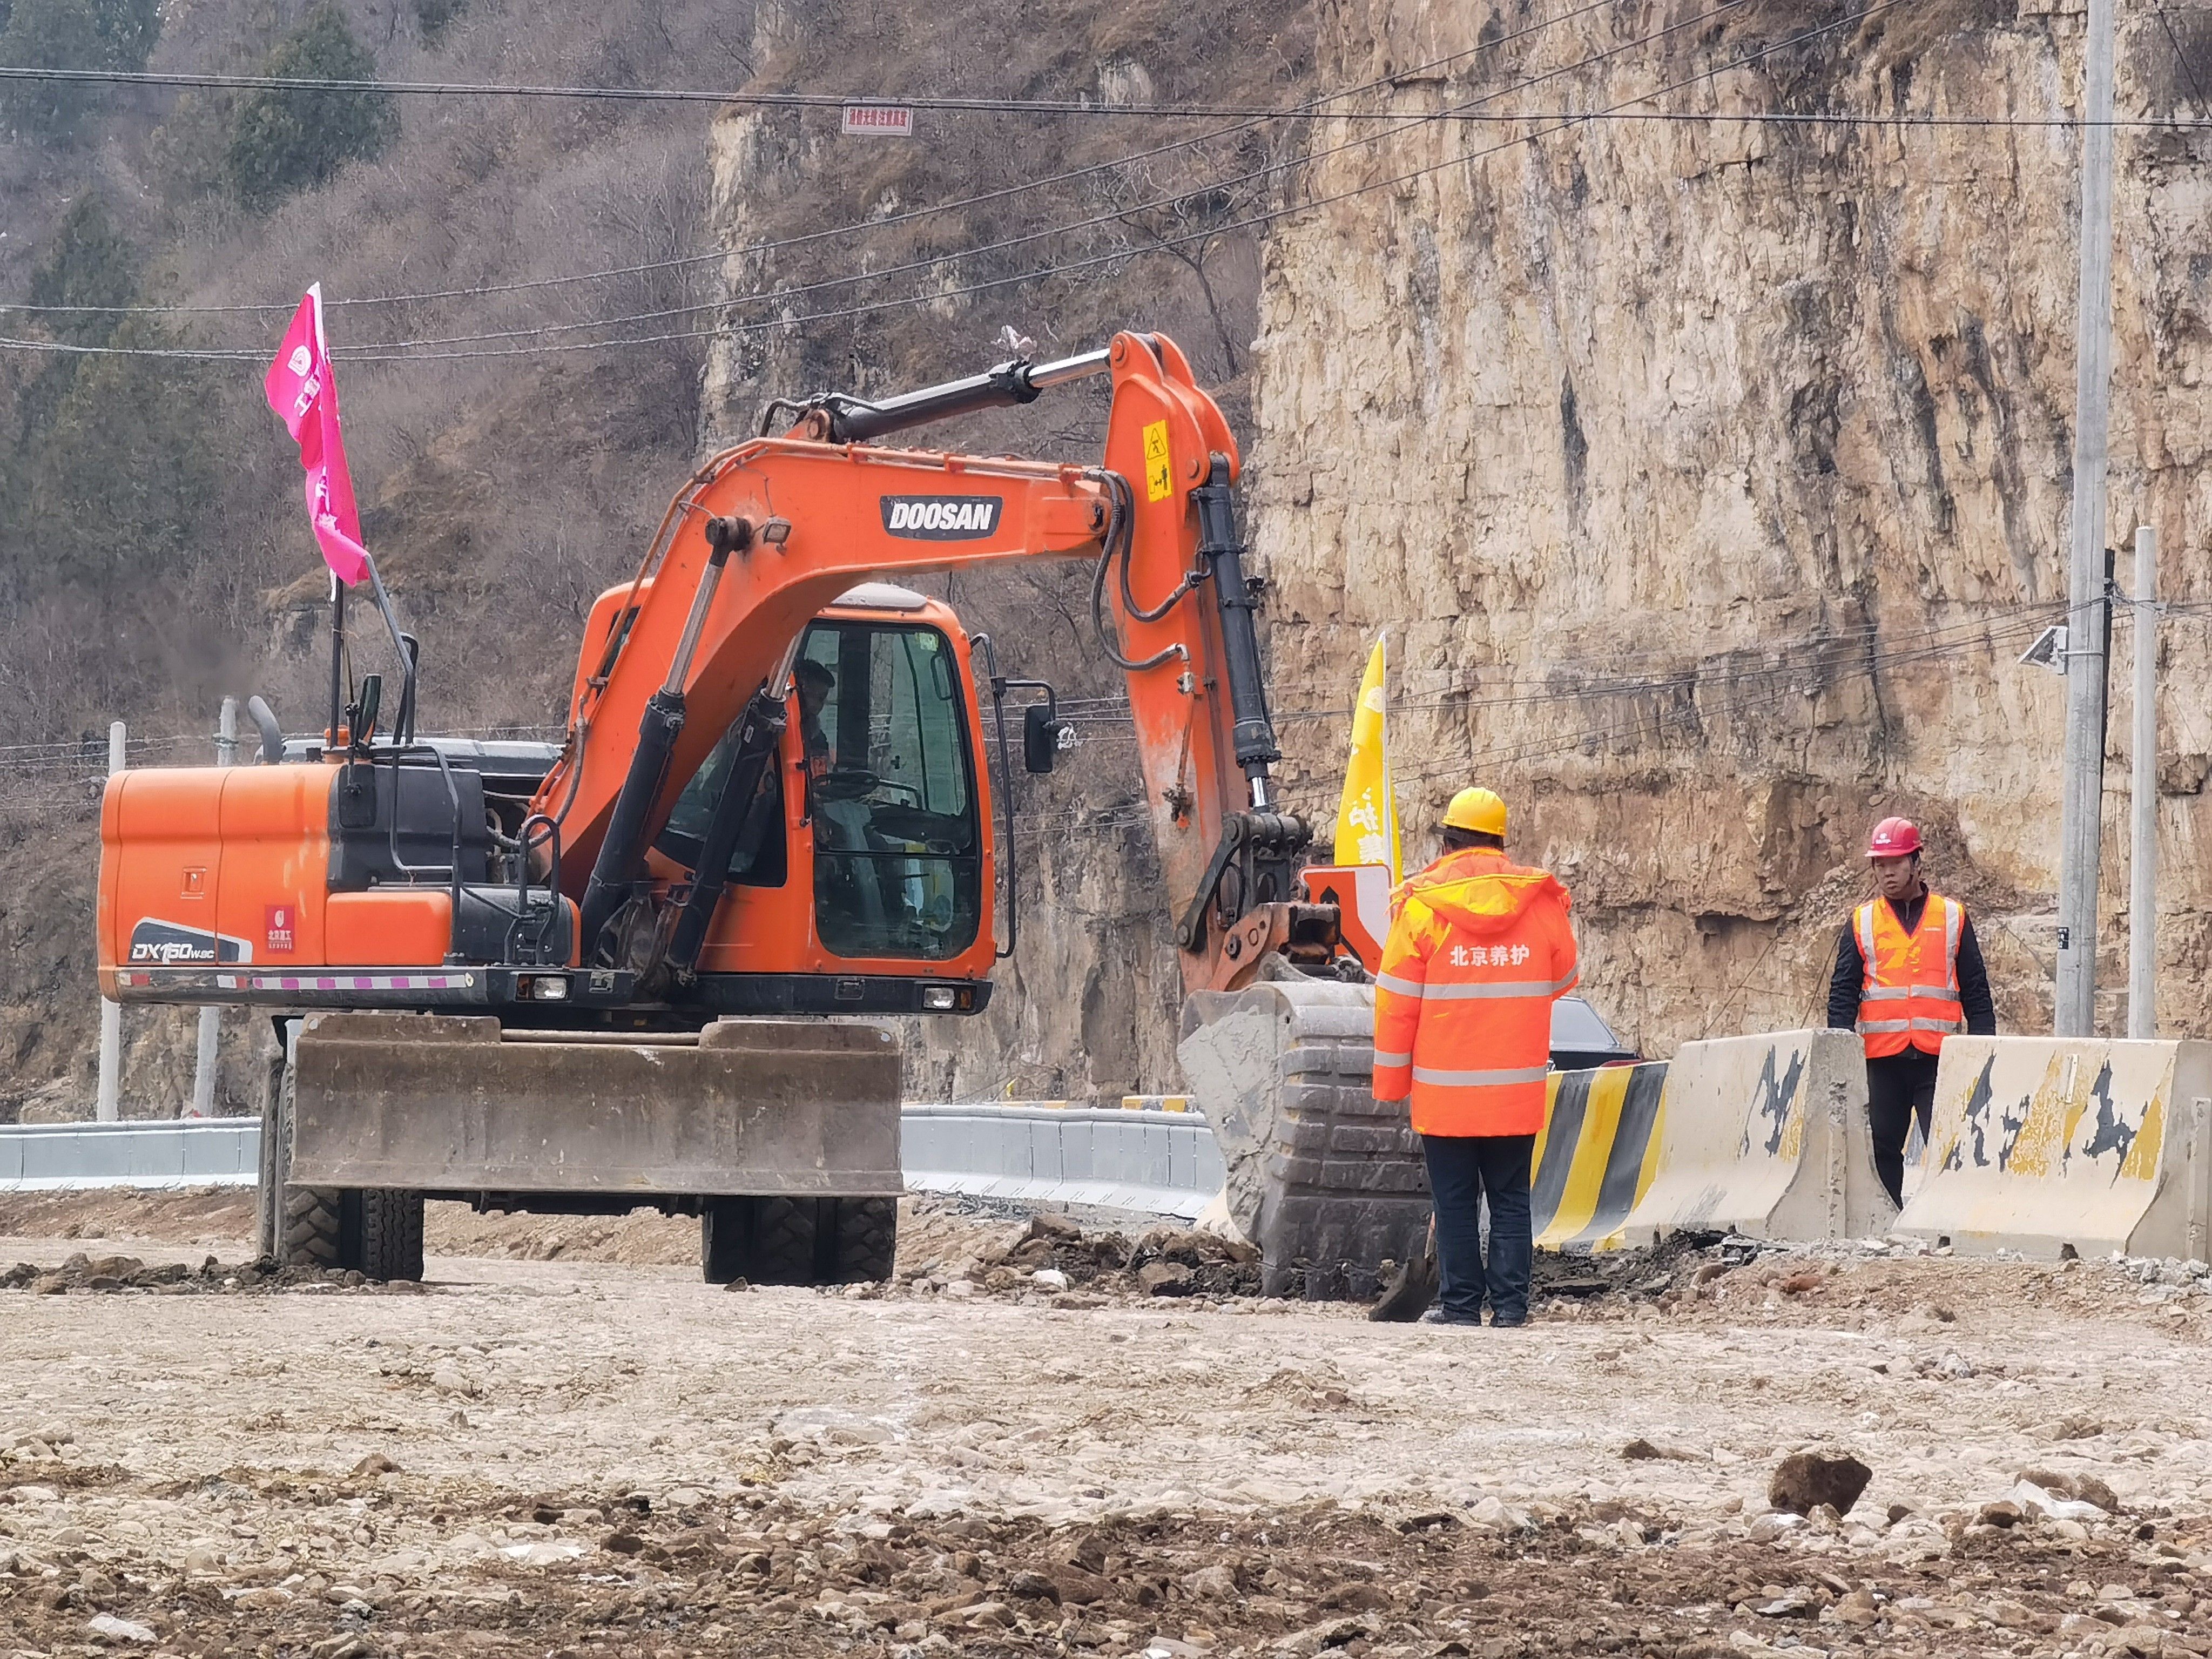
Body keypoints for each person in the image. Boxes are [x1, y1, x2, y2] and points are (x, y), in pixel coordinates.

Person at [1372, 787, 1578, 1328]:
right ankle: (1510, 1310)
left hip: (1445, 1092)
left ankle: (1460, 1307)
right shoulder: (1539, 902)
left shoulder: (1420, 909)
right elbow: (1561, 979)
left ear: (1447, 841)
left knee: (1455, 1201)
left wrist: (1393, 1083)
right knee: (1510, 1199)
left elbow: (1395, 1006)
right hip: (1513, 1086)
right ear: (1500, 843)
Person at [1826, 816, 1996, 1208]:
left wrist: (1983, 1049)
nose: (1887, 872)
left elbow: (1975, 989)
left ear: (1917, 862)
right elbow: (1843, 992)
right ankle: (1891, 1223)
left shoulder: (1952, 916)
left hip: (1939, 1057)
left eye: (1896, 863)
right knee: (1882, 1146)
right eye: (1880, 864)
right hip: (1882, 1059)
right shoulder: (1862, 921)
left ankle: (1944, 1220)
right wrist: (1839, 1048)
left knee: (1947, 1143)